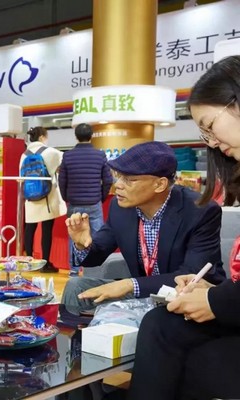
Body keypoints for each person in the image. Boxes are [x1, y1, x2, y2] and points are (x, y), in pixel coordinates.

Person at [128, 55, 240, 400]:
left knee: (192, 359)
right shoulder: (120, 214)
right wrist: (210, 290)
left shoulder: (198, 211)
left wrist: (216, 299)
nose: (211, 142)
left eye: (210, 125)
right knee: (161, 326)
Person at [62, 141, 226, 311]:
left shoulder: (200, 211)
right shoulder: (120, 208)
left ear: (160, 184)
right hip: (144, 292)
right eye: (118, 176)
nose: (118, 185)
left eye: (129, 180)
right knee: (76, 287)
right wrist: (82, 244)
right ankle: (72, 327)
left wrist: (129, 285)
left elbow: (191, 276)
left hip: (186, 296)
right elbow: (96, 255)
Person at [58, 123, 113, 276]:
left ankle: (74, 270)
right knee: (97, 236)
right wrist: (101, 197)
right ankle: (94, 271)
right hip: (94, 203)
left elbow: (62, 181)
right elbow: (108, 180)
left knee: (74, 235)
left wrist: (66, 198)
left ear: (76, 136)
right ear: (91, 136)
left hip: (74, 203)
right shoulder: (99, 155)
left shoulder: (68, 156)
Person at [21, 127, 66, 272]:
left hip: (30, 197)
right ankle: (45, 264)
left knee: (30, 229)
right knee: (47, 230)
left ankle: (29, 262)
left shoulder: (24, 155)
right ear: (41, 137)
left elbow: (21, 177)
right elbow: (65, 162)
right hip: (47, 197)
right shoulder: (50, 152)